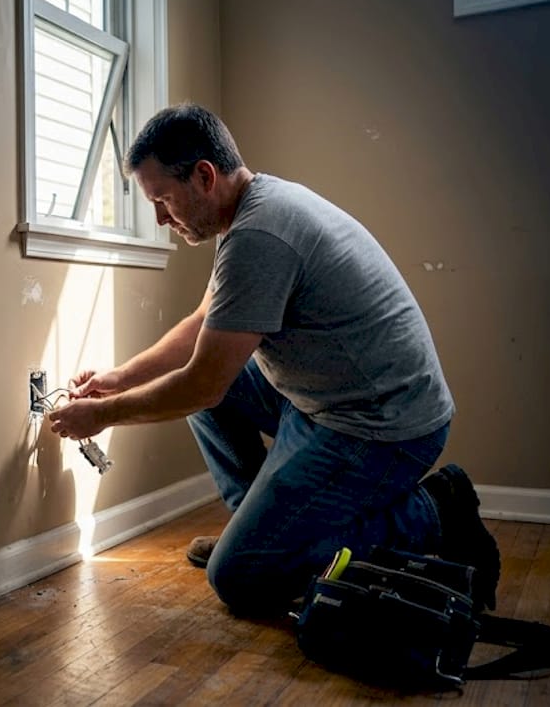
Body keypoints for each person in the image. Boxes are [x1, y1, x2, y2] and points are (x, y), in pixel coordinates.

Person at [46, 102, 500, 617]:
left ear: (203, 176)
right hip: (325, 399)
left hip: (383, 425)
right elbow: (205, 323)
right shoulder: (255, 209)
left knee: (240, 578)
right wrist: (116, 379)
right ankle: (257, 529)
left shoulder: (260, 235)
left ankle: (437, 509)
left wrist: (102, 414)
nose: (159, 218)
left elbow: (201, 384)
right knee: (209, 381)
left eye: (164, 200)